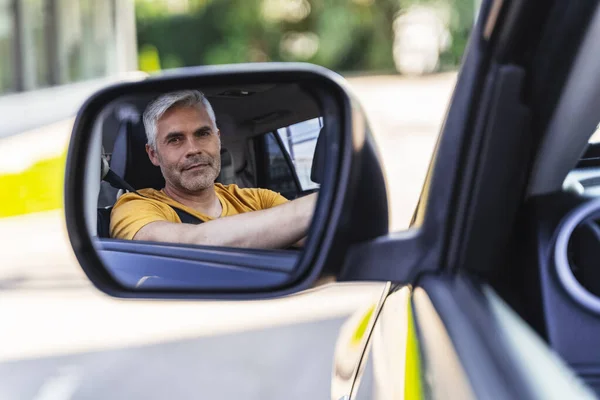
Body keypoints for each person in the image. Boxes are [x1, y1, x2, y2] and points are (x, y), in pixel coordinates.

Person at [110, 90, 316, 249]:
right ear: (153, 154)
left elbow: (317, 237)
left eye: (202, 134)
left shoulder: (259, 200)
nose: (193, 149)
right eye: (175, 139)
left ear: (218, 139)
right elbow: (193, 243)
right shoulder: (134, 207)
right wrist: (322, 200)